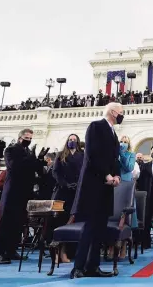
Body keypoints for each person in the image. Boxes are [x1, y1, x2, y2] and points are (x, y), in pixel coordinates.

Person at [70, 102, 123, 279]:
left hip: (107, 187)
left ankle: (93, 266)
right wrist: (107, 175)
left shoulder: (113, 133)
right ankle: (78, 267)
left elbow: (114, 158)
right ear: (113, 112)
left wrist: (116, 175)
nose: (123, 115)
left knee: (99, 228)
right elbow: (93, 154)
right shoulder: (96, 126)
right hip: (94, 185)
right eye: (122, 112)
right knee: (90, 227)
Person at [0, 129, 42, 264]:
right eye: (27, 137)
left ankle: (11, 250)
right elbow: (14, 166)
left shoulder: (28, 152)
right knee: (6, 223)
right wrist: (31, 158)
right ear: (20, 137)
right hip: (12, 192)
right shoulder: (10, 150)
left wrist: (40, 160)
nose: (29, 140)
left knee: (18, 223)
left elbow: (32, 169)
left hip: (25, 193)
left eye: (31, 138)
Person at [51, 134, 84, 263]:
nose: (72, 141)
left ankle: (69, 251)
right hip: (62, 192)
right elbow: (55, 172)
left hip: (77, 192)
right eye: (70, 140)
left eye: (74, 140)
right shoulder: (60, 155)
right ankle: (57, 252)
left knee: (73, 221)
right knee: (59, 221)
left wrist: (79, 184)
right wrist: (65, 184)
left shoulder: (82, 155)